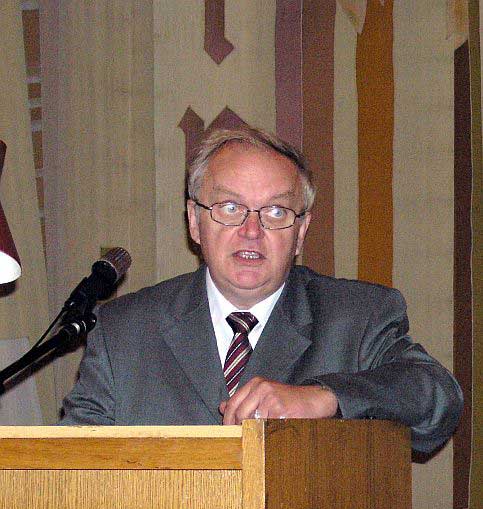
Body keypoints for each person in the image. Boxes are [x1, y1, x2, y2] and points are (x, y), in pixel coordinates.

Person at [60, 126, 463, 453]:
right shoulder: (125, 329)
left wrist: (326, 397)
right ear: (195, 221)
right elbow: (71, 470)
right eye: (230, 208)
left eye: (275, 211)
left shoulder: (357, 317)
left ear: (300, 231)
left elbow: (438, 399)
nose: (251, 231)